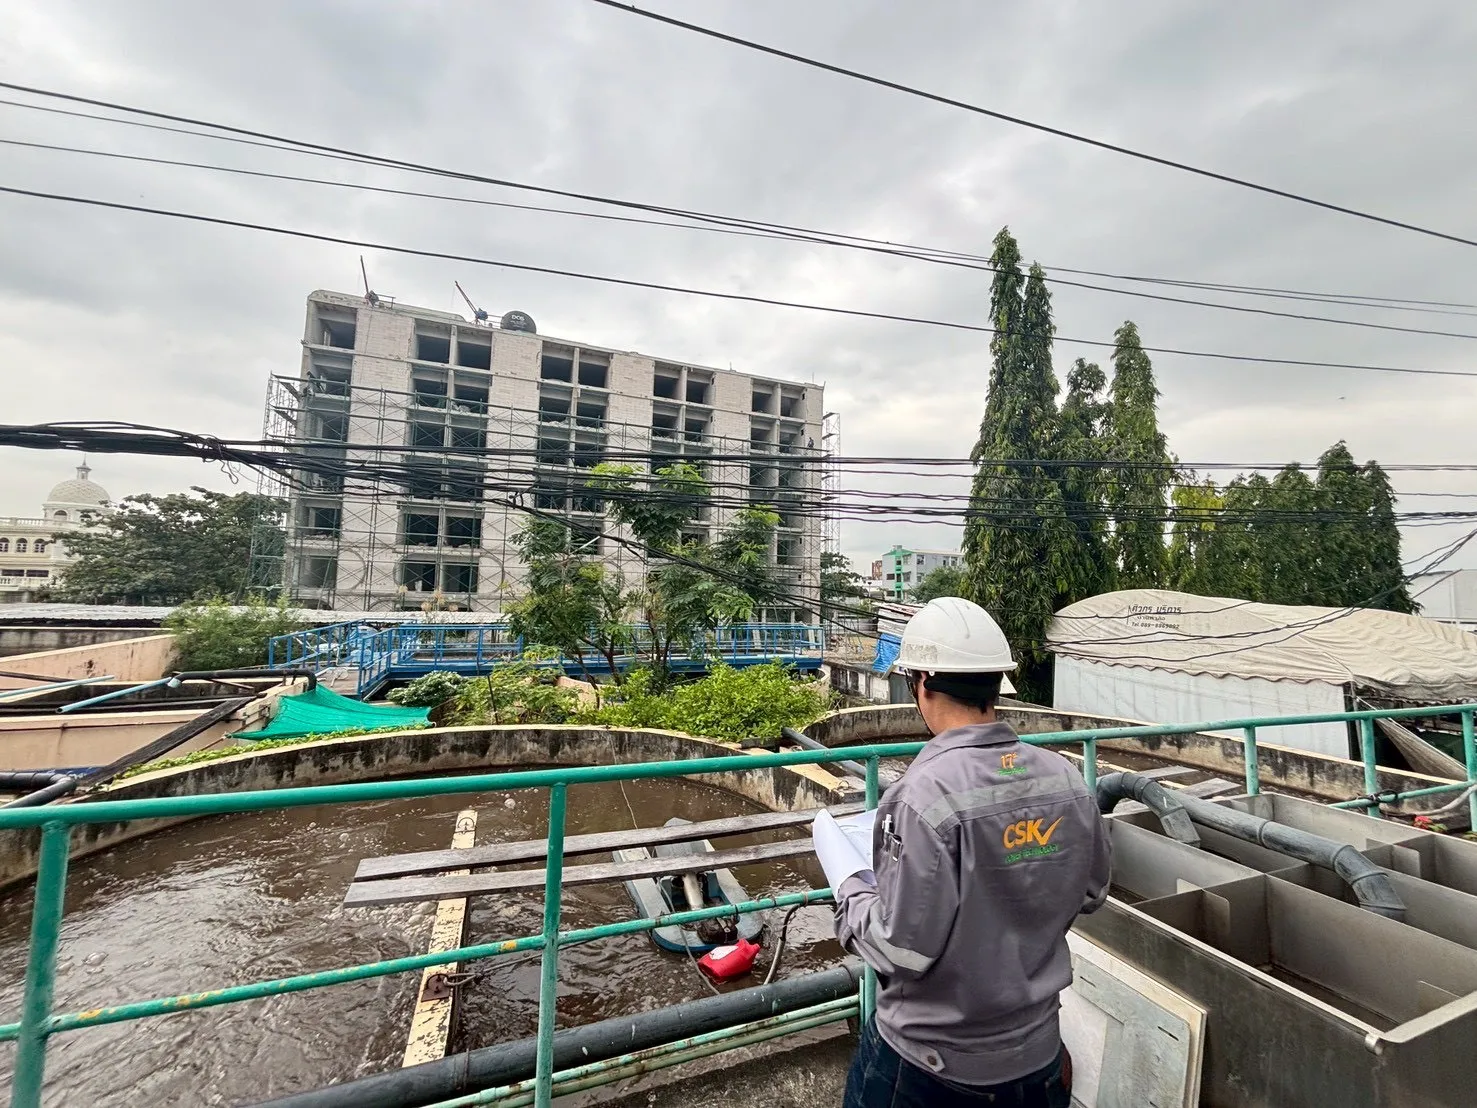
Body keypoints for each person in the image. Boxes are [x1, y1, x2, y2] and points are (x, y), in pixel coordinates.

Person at [831, 597, 1112, 1108]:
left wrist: (852, 892)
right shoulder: (1065, 779)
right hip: (1038, 1057)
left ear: (920, 682)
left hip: (929, 1068)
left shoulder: (921, 797)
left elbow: (901, 950)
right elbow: (1091, 890)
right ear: (995, 684)